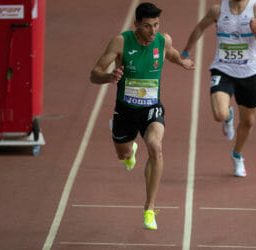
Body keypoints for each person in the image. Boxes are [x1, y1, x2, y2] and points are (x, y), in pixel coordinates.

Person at [90, 2, 195, 230]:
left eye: (156, 25)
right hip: (125, 110)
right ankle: (130, 152)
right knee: (123, 155)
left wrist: (182, 61)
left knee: (156, 147)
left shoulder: (161, 40)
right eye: (147, 26)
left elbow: (172, 53)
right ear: (136, 24)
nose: (153, 31)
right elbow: (94, 73)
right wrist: (109, 77)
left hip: (151, 109)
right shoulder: (121, 42)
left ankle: (149, 207)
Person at [182, 0, 256, 177]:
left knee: (248, 121)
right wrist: (185, 53)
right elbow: (199, 28)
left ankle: (237, 155)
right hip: (223, 69)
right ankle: (228, 116)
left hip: (248, 73)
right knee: (219, 114)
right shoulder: (217, 10)